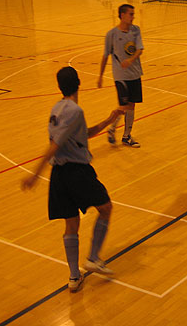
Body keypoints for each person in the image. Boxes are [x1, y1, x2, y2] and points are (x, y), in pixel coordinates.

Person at [22, 67, 122, 293]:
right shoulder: (74, 111)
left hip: (60, 177)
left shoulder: (58, 108)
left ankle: (74, 277)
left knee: (71, 224)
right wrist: (35, 175)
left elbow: (81, 134)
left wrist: (109, 120)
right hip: (76, 172)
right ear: (79, 83)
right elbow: (55, 145)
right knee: (105, 208)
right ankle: (93, 257)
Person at [97, 4, 144, 148]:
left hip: (135, 74)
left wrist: (131, 59)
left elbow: (140, 49)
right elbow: (105, 56)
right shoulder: (111, 34)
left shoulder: (136, 30)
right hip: (120, 76)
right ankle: (111, 129)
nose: (133, 17)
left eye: (133, 14)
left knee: (131, 106)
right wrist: (100, 76)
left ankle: (126, 136)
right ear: (122, 15)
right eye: (130, 14)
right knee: (123, 106)